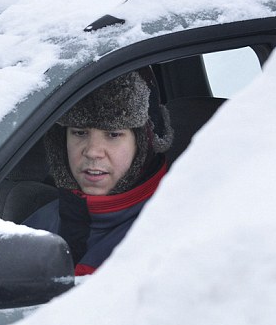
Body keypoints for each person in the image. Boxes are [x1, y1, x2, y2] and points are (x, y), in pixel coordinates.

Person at [24, 70, 173, 275]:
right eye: (80, 132)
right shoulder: (38, 225)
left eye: (113, 134)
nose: (93, 151)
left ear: (144, 144)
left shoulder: (171, 234)